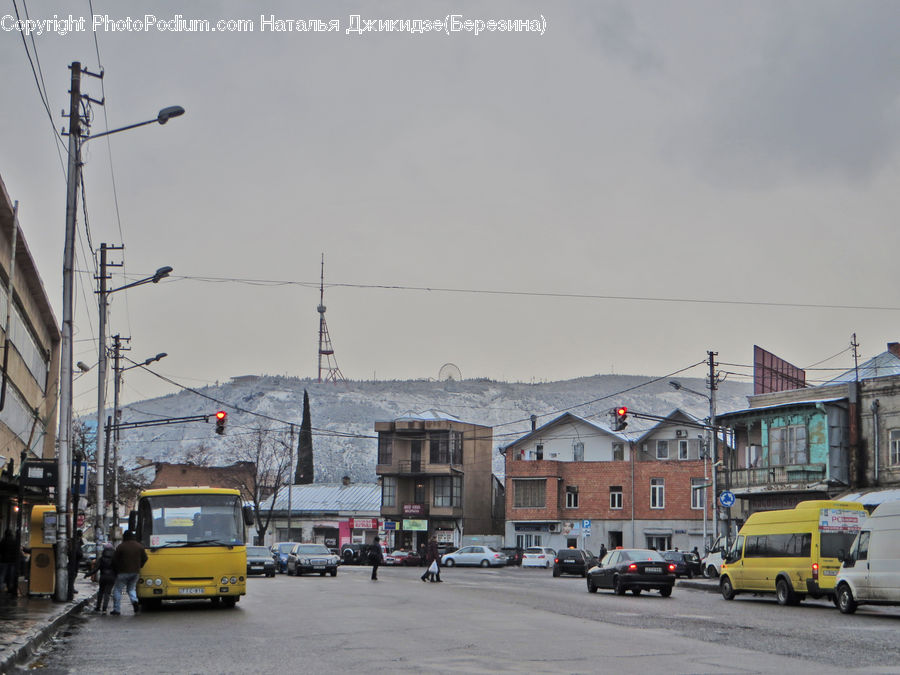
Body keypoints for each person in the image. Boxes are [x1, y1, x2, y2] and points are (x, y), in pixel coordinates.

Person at [111, 530, 147, 615]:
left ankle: (117, 609)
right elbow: (145, 558)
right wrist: (140, 565)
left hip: (123, 572)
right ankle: (135, 601)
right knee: (131, 589)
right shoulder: (139, 546)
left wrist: (116, 570)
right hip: (135, 572)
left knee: (117, 590)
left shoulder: (121, 547)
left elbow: (114, 560)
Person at [85, 543, 116, 613]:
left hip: (103, 577)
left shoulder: (101, 559)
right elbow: (118, 568)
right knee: (107, 593)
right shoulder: (115, 559)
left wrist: (88, 574)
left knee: (101, 592)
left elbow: (95, 569)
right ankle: (104, 609)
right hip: (111, 578)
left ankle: (98, 607)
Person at [0, 528, 17, 595]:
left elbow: (0, 550)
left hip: (4, 560)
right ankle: (10, 588)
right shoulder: (14, 541)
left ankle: (0, 588)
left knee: (2, 575)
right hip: (12, 561)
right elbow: (16, 550)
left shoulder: (3, 541)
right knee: (11, 575)